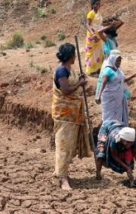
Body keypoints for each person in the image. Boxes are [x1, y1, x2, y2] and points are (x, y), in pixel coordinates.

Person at [52, 43, 91, 190]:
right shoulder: (61, 71)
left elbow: (72, 84)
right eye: (74, 54)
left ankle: (62, 171)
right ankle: (62, 178)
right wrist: (79, 83)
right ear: (70, 56)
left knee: (68, 146)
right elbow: (66, 90)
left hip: (72, 114)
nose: (76, 57)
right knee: (63, 146)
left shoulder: (69, 70)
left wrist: (79, 80)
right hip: (64, 114)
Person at [95, 51, 136, 125]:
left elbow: (123, 80)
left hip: (118, 99)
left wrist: (134, 75)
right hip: (109, 99)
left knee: (117, 117)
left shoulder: (118, 70)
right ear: (113, 60)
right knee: (109, 117)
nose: (119, 62)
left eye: (120, 61)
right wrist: (98, 96)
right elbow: (103, 83)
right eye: (117, 60)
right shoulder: (107, 70)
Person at [84, 0, 114, 76]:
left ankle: (97, 69)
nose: (98, 5)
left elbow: (99, 24)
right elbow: (87, 24)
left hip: (99, 34)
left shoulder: (99, 13)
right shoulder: (91, 13)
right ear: (93, 4)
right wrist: (93, 33)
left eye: (99, 4)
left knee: (99, 52)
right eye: (96, 4)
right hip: (92, 36)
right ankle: (91, 71)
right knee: (92, 53)